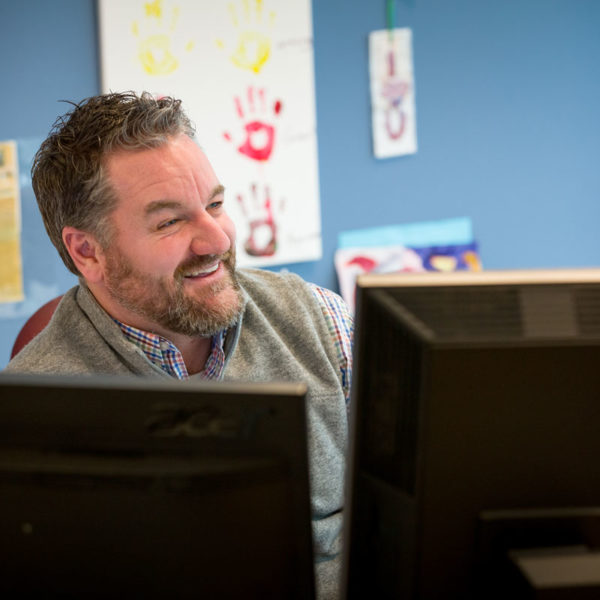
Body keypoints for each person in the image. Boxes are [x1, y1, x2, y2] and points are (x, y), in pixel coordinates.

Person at [4, 92, 353, 598]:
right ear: (87, 251)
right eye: (169, 221)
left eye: (214, 204)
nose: (217, 240)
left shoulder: (323, 321)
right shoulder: (26, 416)